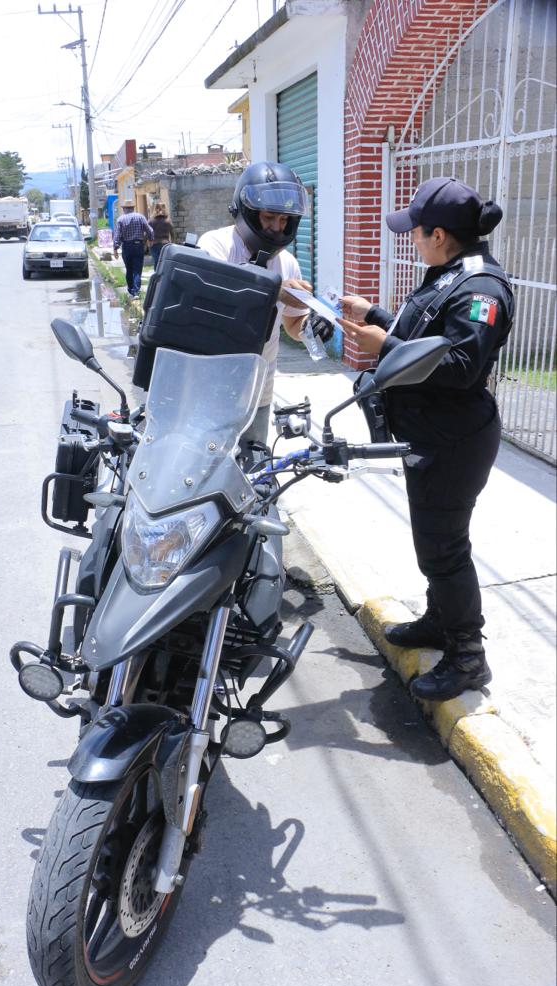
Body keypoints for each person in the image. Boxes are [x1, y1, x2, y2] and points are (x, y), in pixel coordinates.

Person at [335, 176, 514, 702]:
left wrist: (384, 343)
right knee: (432, 543)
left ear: (439, 235)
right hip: (430, 433)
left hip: (455, 439)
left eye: (415, 230)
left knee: (445, 549)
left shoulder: (482, 288)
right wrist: (376, 317)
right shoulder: (449, 274)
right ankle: (440, 620)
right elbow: (427, 338)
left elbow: (460, 365)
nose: (410, 237)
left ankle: (467, 657)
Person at [198, 161, 332, 465]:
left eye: (284, 219)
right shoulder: (216, 245)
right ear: (246, 212)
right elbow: (217, 298)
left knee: (254, 474)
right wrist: (274, 289)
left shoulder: (287, 263)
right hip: (210, 390)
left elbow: (292, 323)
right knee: (204, 473)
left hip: (259, 393)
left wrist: (312, 326)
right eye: (269, 217)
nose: (277, 227)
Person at [113, 199, 153, 297]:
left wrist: (115, 249)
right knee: (137, 269)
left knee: (129, 269)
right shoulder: (140, 217)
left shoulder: (120, 219)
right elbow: (150, 231)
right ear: (133, 208)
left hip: (126, 246)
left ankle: (131, 290)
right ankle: (136, 291)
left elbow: (117, 235)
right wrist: (149, 240)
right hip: (138, 245)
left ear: (124, 209)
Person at [147, 201, 174, 269]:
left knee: (157, 262)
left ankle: (157, 277)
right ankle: (164, 277)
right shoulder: (168, 220)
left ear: (155, 209)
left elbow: (147, 233)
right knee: (164, 262)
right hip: (166, 244)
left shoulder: (151, 220)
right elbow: (173, 233)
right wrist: (172, 243)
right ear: (165, 209)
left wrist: (146, 243)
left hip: (154, 244)